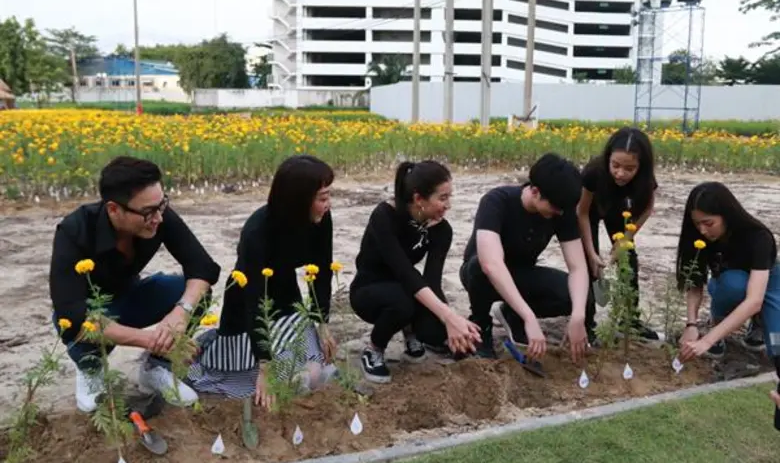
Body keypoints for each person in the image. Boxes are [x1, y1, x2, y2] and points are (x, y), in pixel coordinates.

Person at [49, 156, 221, 413]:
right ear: (114, 209)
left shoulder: (157, 215)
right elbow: (71, 314)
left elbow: (202, 267)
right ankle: (91, 369)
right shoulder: (75, 231)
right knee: (69, 321)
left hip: (132, 297)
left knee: (192, 292)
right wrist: (150, 339)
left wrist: (181, 313)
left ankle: (156, 367)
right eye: (148, 212)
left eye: (162, 205)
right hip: (94, 314)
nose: (158, 218)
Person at [188, 155, 339, 408]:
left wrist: (322, 322)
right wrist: (265, 366)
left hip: (287, 301)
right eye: (322, 198)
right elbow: (254, 300)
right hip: (247, 309)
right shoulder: (257, 232)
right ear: (298, 200)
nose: (328, 204)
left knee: (313, 368)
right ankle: (207, 348)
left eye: (328, 196)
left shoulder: (322, 219)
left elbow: (323, 270)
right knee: (257, 383)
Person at [350, 160, 481, 383]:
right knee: (403, 304)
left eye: (449, 197)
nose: (448, 205)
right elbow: (404, 272)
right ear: (419, 199)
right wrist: (448, 316)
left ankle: (411, 331)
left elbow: (432, 281)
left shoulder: (441, 229)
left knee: (436, 333)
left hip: (409, 288)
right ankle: (374, 349)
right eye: (442, 198)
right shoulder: (385, 216)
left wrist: (450, 326)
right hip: (370, 290)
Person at [460, 153, 594, 362]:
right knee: (478, 268)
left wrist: (578, 316)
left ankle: (512, 314)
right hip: (483, 276)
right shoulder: (496, 201)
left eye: (563, 209)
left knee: (578, 295)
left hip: (523, 274)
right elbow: (491, 264)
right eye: (555, 207)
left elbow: (578, 267)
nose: (559, 213)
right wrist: (530, 318)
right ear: (535, 191)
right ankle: (481, 324)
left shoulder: (562, 210)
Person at [675, 181, 779, 428]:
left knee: (778, 346)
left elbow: (755, 299)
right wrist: (692, 325)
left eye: (708, 223)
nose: (702, 230)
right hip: (731, 285)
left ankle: (759, 326)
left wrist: (706, 341)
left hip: (769, 283)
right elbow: (695, 283)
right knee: (733, 284)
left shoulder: (759, 237)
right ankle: (719, 323)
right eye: (697, 224)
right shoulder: (698, 238)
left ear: (727, 215)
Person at [576, 126, 659, 340]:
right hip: (591, 210)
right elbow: (582, 212)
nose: (621, 173)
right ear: (608, 159)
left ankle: (630, 320)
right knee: (588, 265)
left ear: (641, 166)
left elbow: (647, 208)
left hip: (619, 210)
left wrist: (625, 240)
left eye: (629, 168)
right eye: (615, 165)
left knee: (628, 260)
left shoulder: (646, 179)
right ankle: (587, 323)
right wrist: (592, 253)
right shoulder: (594, 172)